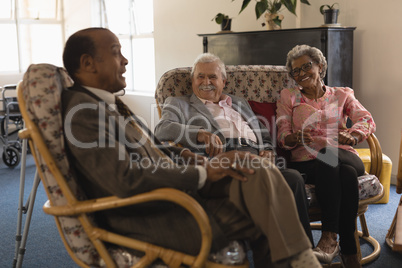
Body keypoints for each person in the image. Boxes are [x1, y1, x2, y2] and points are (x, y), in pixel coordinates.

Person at [61, 28, 320, 268]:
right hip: (156, 214)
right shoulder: (84, 113)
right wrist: (202, 169)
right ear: (87, 63)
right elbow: (124, 178)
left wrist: (183, 154)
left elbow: (150, 147)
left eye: (213, 77)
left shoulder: (106, 105)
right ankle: (302, 258)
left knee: (257, 170)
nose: (125, 60)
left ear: (224, 81)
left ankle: (301, 257)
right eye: (116, 52)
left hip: (183, 181)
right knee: (265, 196)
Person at [154, 52, 313, 246]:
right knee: (273, 184)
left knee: (294, 179)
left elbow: (262, 133)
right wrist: (200, 133)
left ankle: (304, 251)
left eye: (212, 76)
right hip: (224, 160)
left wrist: (268, 150)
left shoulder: (238, 102)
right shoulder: (179, 103)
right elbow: (161, 130)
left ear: (223, 80)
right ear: (192, 80)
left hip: (257, 157)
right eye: (200, 76)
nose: (206, 82)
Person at [276, 44, 376, 268]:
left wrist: (354, 135)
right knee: (346, 175)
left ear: (320, 66)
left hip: (344, 155)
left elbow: (366, 119)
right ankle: (349, 251)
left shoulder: (342, 94)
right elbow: (283, 135)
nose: (301, 74)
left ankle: (330, 236)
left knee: (330, 154)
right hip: (307, 165)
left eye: (306, 67)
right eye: (296, 71)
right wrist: (296, 137)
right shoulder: (288, 97)